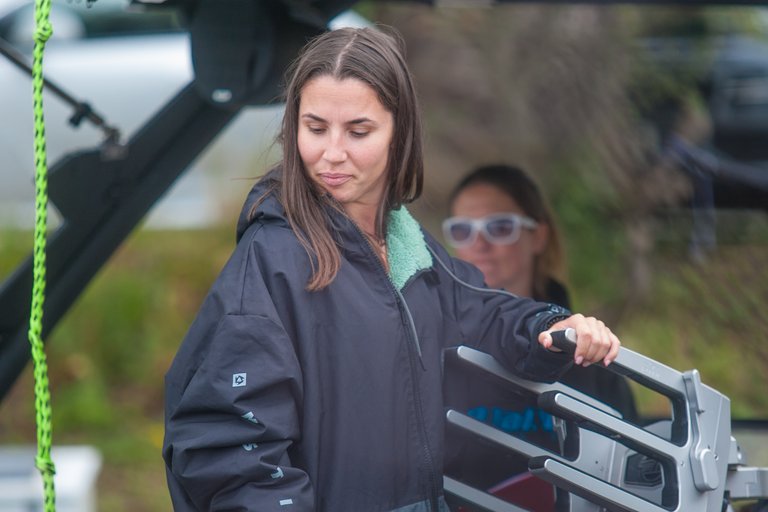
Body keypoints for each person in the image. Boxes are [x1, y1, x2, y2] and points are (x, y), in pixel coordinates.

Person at [162, 26, 621, 512]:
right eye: (315, 128)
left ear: (398, 133)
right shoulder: (272, 259)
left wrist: (552, 326)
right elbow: (228, 444)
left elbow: (482, 312)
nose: (331, 153)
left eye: (358, 131)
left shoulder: (407, 244)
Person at [442, 164, 637, 508]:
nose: (480, 244)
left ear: (539, 236)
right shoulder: (434, 345)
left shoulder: (590, 346)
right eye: (462, 230)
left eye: (500, 227)